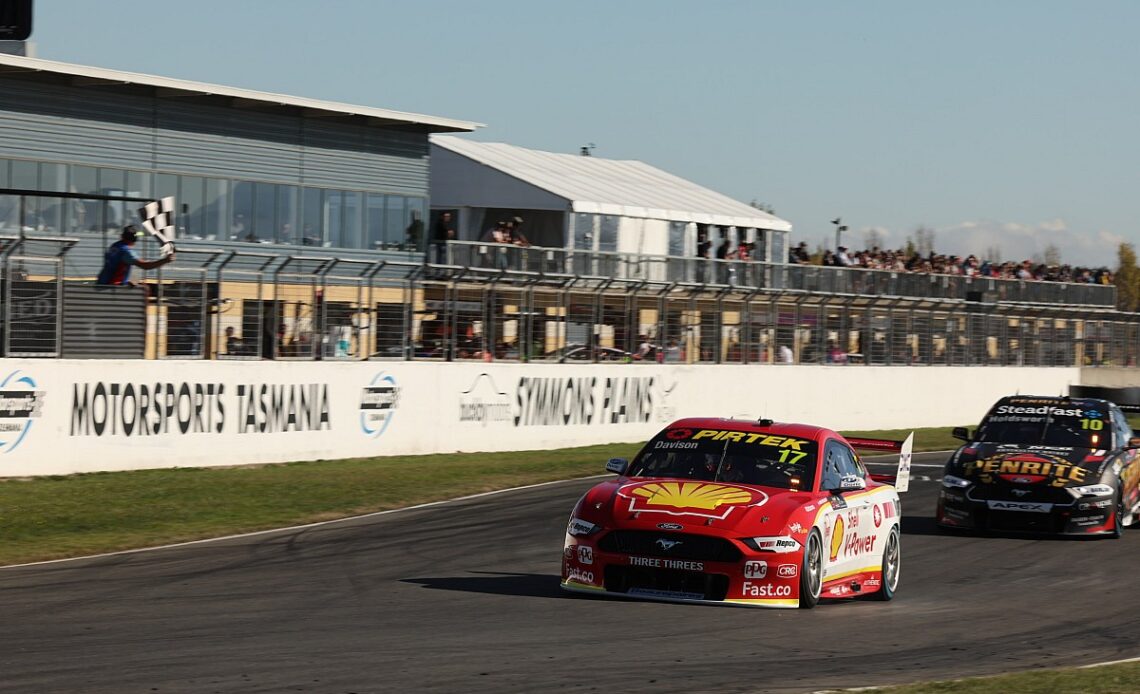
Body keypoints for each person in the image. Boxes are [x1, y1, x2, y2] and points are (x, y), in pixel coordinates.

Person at [96, 226, 174, 286]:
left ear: (122, 236)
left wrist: (126, 282)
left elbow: (115, 267)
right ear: (135, 240)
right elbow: (145, 266)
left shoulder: (114, 246)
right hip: (112, 288)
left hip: (102, 283)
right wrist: (165, 260)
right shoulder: (126, 252)